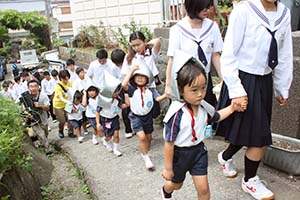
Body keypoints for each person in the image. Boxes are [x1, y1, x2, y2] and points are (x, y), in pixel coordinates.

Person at [216, 1, 293, 200]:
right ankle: (250, 180)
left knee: (248, 131)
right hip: (243, 79)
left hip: (265, 80)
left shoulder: (284, 13)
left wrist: (282, 85)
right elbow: (229, 53)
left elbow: (284, 52)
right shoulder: (244, 10)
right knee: (259, 135)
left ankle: (225, 157)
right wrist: (236, 90)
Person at [160, 50, 244, 200]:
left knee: (204, 189)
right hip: (179, 155)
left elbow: (216, 116)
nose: (200, 94)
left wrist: (232, 108)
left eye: (203, 88)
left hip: (198, 152)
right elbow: (169, 142)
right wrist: (168, 168)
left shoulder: (204, 106)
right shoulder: (176, 113)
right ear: (180, 89)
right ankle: (166, 191)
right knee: (176, 185)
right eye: (194, 90)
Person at [165, 0, 223, 108]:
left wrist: (225, 79)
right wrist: (168, 86)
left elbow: (215, 55)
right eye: (204, 8)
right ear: (193, 6)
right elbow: (172, 59)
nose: (207, 10)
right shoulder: (178, 29)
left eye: (208, 7)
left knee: (208, 115)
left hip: (204, 80)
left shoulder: (212, 27)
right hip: (185, 81)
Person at [122, 61, 167, 170]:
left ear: (148, 79)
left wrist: (167, 95)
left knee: (148, 137)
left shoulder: (151, 90)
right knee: (142, 137)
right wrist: (132, 70)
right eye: (138, 77)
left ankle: (144, 150)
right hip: (136, 116)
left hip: (147, 116)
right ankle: (146, 157)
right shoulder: (133, 90)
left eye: (143, 77)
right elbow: (123, 84)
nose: (140, 79)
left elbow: (157, 98)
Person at [96, 72, 128, 156]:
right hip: (106, 119)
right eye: (115, 92)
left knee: (116, 134)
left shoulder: (118, 99)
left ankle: (116, 149)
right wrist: (98, 123)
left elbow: (121, 106)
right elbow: (98, 111)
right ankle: (105, 140)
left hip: (114, 118)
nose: (117, 93)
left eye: (118, 91)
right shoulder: (103, 100)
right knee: (108, 136)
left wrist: (128, 103)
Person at [111, 48, 133, 139]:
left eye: (120, 63)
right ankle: (128, 129)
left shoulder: (129, 63)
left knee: (134, 107)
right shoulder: (113, 68)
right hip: (121, 89)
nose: (119, 65)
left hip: (131, 87)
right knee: (125, 109)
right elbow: (114, 81)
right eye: (117, 63)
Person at [25, 79, 52, 154]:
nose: (33, 88)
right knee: (41, 134)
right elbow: (20, 106)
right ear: (28, 88)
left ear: (38, 87)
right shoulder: (26, 97)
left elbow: (48, 107)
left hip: (43, 118)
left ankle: (41, 143)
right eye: (31, 86)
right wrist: (27, 114)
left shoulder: (43, 96)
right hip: (33, 120)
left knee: (45, 133)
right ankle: (48, 149)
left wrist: (40, 105)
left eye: (35, 86)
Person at [53, 70, 75, 138]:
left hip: (68, 104)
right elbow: (61, 97)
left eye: (67, 78)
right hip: (59, 105)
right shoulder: (58, 86)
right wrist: (68, 102)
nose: (66, 80)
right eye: (64, 79)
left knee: (70, 119)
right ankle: (60, 130)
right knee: (62, 120)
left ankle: (70, 132)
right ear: (61, 78)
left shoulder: (70, 82)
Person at [73, 67, 90, 135]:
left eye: (83, 72)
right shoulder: (76, 82)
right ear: (78, 74)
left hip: (89, 97)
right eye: (81, 73)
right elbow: (75, 92)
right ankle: (84, 128)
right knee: (83, 115)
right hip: (81, 100)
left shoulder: (87, 79)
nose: (83, 74)